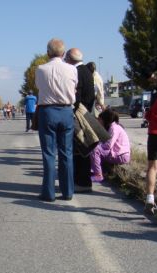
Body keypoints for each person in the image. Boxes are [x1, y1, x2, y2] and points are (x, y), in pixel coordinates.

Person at [35, 38, 78, 201]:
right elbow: (74, 87)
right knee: (66, 153)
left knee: (48, 153)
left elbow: (39, 86)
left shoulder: (40, 69)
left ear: (48, 52)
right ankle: (67, 192)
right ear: (63, 53)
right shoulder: (72, 69)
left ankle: (48, 192)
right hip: (66, 110)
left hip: (48, 111)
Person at [65, 48, 96, 193]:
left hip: (79, 116)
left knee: (79, 150)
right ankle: (83, 181)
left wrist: (71, 110)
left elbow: (76, 97)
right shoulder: (87, 71)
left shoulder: (77, 72)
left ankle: (81, 182)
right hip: (87, 113)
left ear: (70, 59)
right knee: (83, 149)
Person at [90, 109, 130, 182]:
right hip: (117, 154)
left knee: (95, 150)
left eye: (100, 120)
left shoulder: (114, 128)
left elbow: (108, 145)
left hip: (121, 155)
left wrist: (97, 145)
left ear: (105, 120)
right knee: (96, 148)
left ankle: (98, 175)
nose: (98, 122)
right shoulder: (113, 127)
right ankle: (98, 171)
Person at [143, 61, 157, 216]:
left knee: (153, 167)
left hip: (155, 132)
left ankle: (150, 198)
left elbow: (149, 114)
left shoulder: (156, 94)